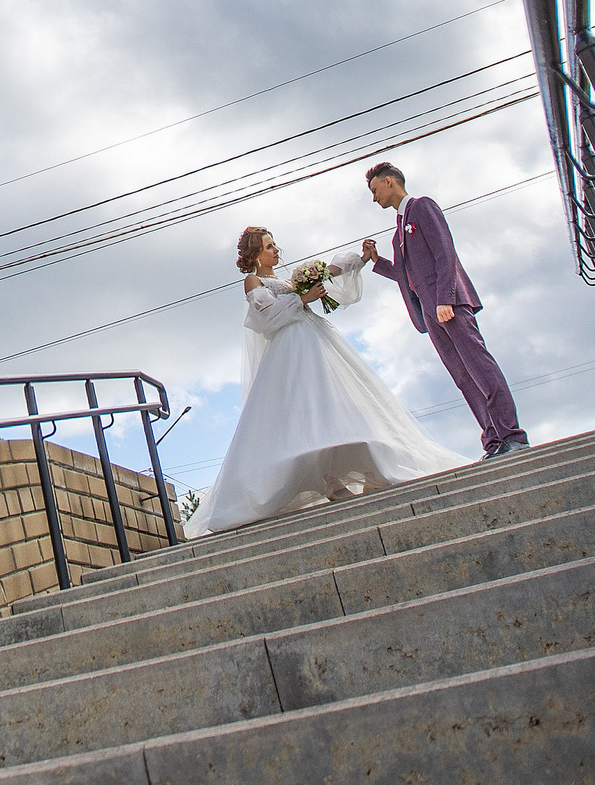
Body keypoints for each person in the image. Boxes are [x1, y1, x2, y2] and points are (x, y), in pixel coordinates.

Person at [189, 225, 466, 534]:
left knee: (338, 404)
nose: (275, 249)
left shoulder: (286, 280)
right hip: (290, 348)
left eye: (274, 244)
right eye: (269, 246)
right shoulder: (253, 281)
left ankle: (369, 472)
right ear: (255, 254)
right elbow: (266, 316)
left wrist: (359, 260)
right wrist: (303, 298)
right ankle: (329, 482)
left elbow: (328, 272)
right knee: (306, 414)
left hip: (313, 339)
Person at [361, 159, 529, 458]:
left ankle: (512, 435)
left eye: (375, 190)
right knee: (463, 379)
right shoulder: (398, 232)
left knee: (481, 367)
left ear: (389, 182)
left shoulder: (422, 207)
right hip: (429, 313)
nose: (374, 198)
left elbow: (444, 252)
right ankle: (493, 441)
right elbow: (405, 274)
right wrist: (376, 261)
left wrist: (445, 299)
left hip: (448, 304)